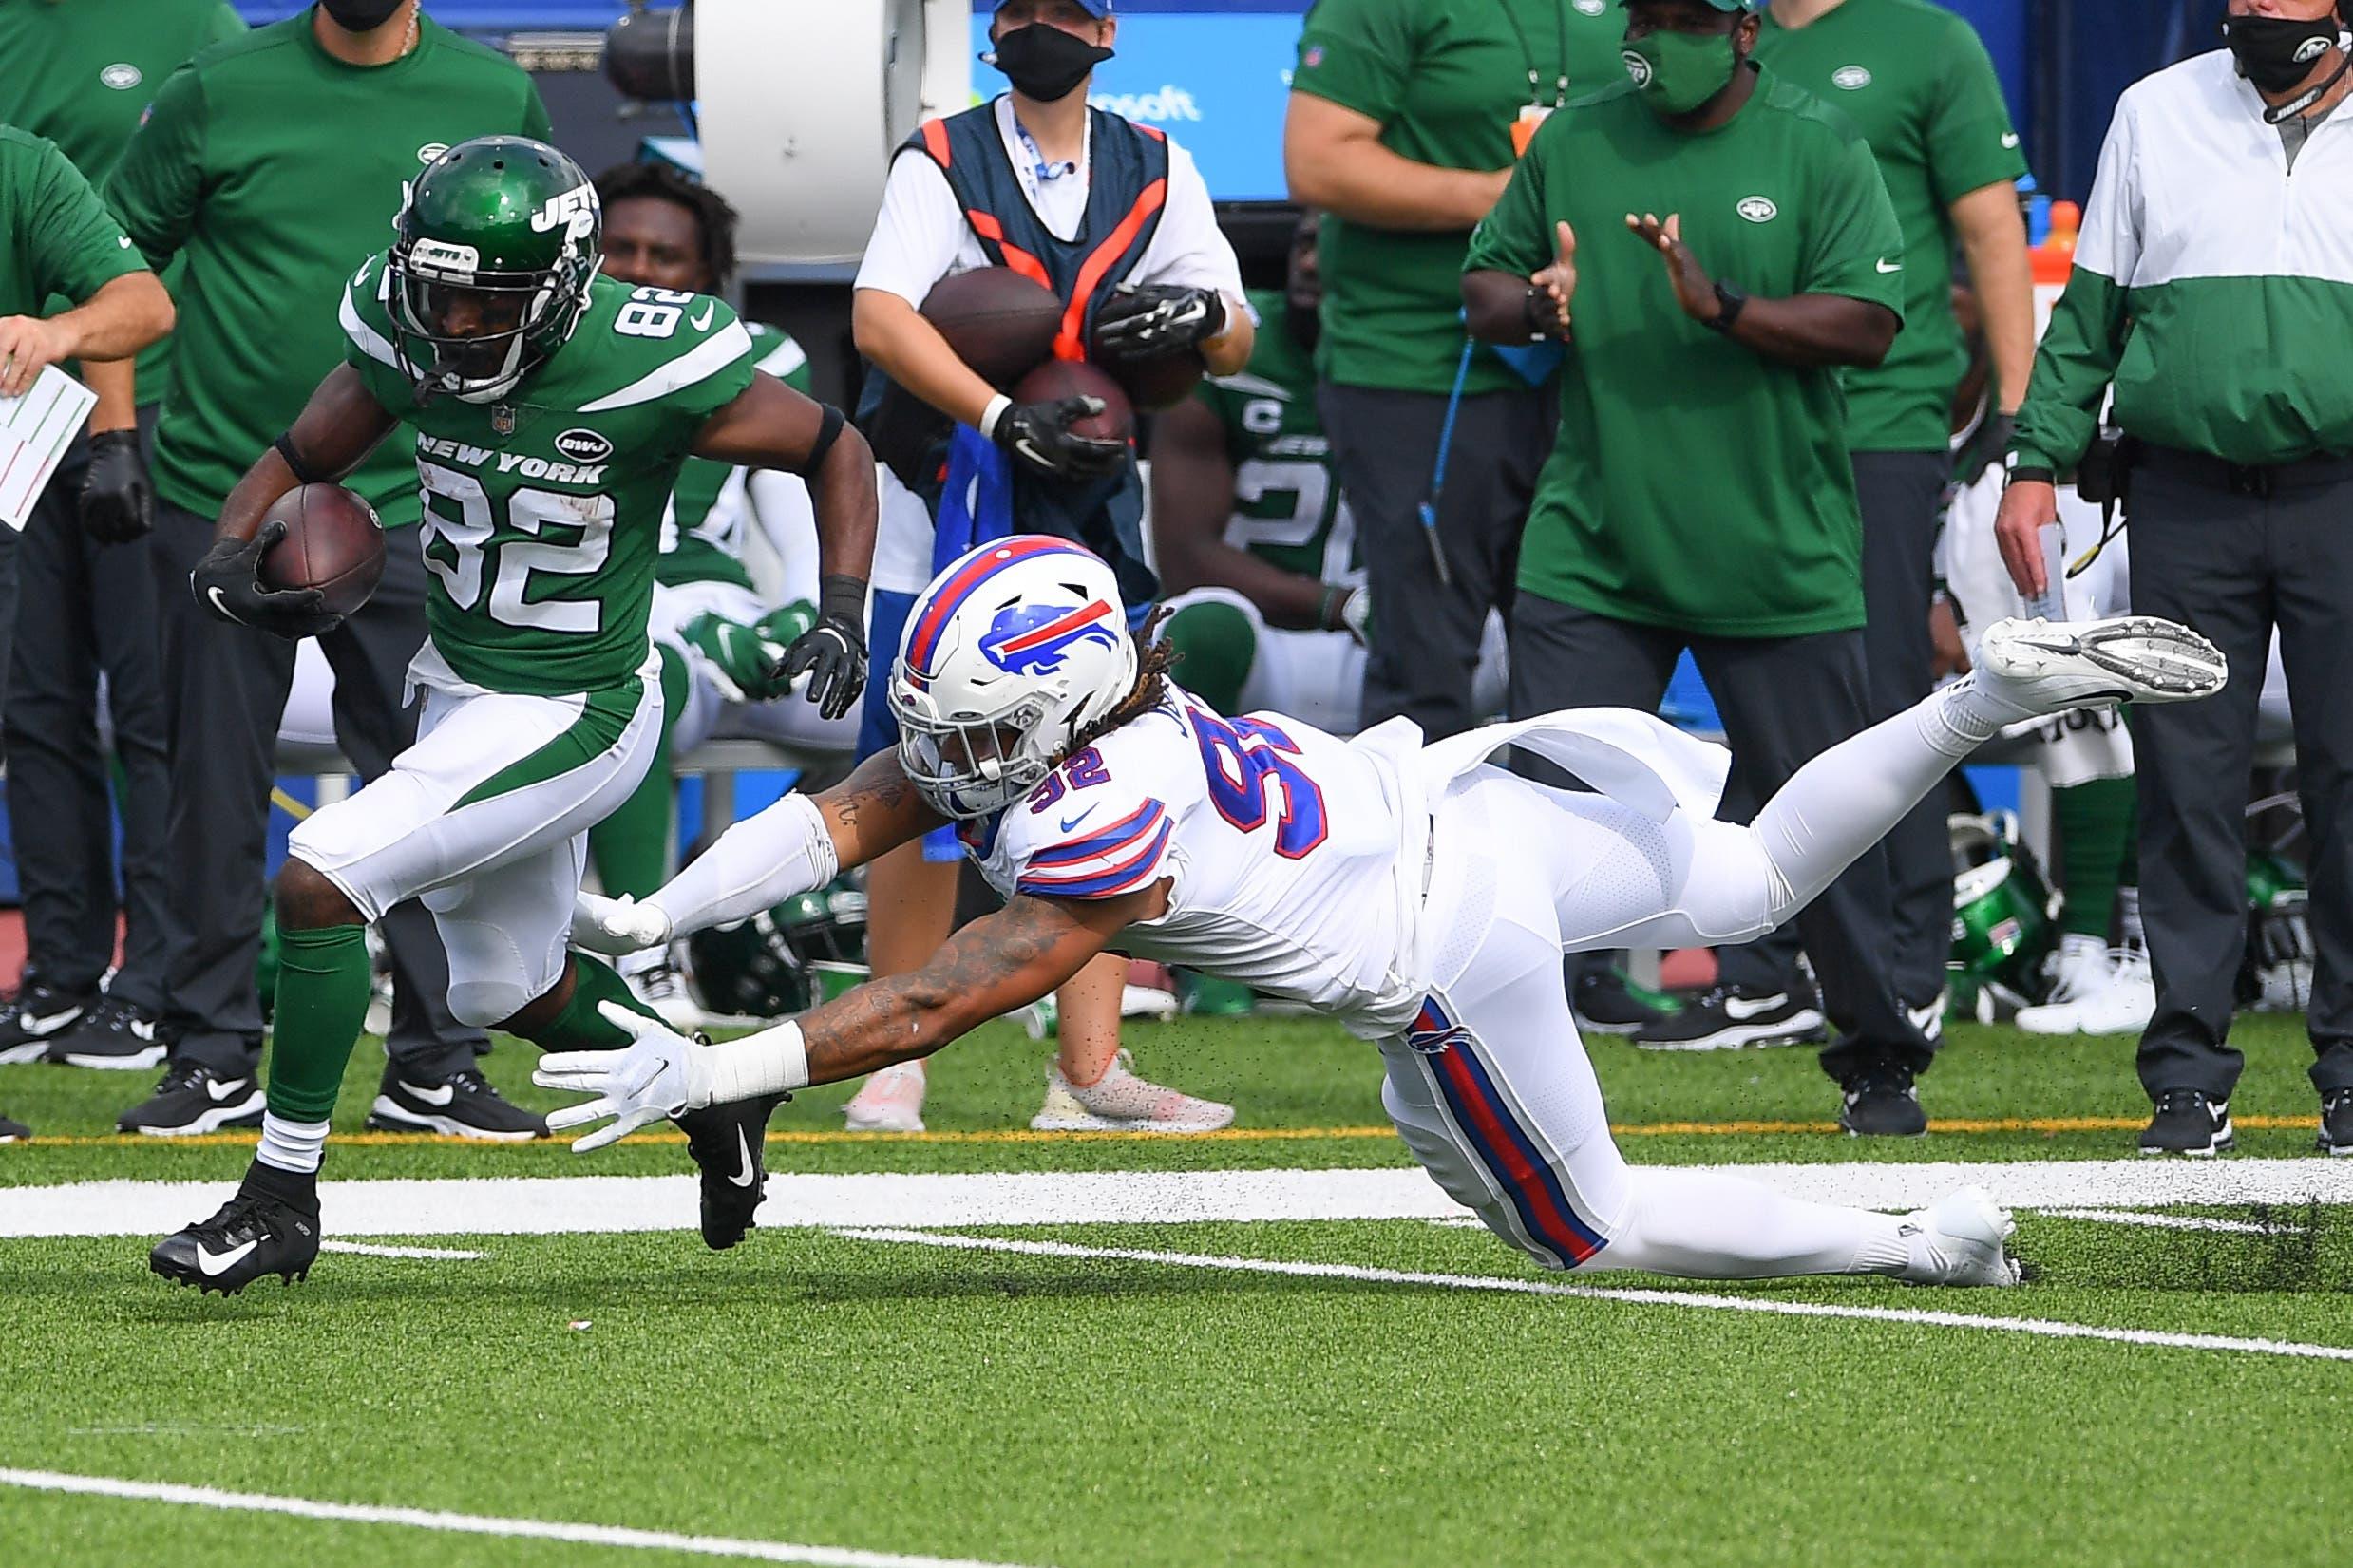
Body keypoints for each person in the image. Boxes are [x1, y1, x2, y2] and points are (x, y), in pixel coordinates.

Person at [556, 537, 2226, 1293]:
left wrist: (719, 1071)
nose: (951, 760)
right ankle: (1970, 706)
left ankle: (1929, 1243)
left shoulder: (1099, 811)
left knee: (1592, 1230)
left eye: (981, 730)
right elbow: (859, 805)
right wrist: (654, 917)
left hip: (1447, 947)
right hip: (1473, 810)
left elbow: (944, 995)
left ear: (1059, 698)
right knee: (1761, 878)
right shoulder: (1091, 713)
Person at [145, 135, 877, 1294]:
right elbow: (301, 449)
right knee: (507, 988)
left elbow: (836, 445)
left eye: (483, 303)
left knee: (321, 874)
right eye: (433, 292)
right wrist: (234, 546)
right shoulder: (411, 330)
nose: (451, 323)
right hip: (461, 688)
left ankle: (279, 1195)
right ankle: (718, 1092)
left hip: (577, 705)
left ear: (560, 290)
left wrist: (839, 605)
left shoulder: (649, 362)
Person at [1458, 0, 1943, 1133]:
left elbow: (1870, 323)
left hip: (1773, 549)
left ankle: (1875, 1051)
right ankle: (1494, 1056)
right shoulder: (1575, 138)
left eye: (1683, 17)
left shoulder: (1815, 140)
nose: (1654, 38)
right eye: (1642, 15)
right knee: (1530, 812)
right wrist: (1536, 303)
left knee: (1819, 816)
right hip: (1594, 542)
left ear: (1739, 31)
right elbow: (1481, 288)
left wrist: (1718, 304)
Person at [102, 0, 552, 1139]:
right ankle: (207, 1049)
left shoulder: (492, 97)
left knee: (437, 785)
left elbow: (547, 289)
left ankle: (435, 1060)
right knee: (207, 782)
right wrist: (116, 436)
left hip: (420, 494)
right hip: (227, 489)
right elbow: (112, 276)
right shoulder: (215, 87)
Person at [842, 0, 1249, 1133]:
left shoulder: (1156, 161)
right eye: (1019, 8)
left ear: (1107, 32)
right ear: (991, 30)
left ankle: (1089, 1069)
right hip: (944, 493)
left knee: (1109, 762)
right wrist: (992, 409)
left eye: (1062, 10)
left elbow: (1234, 335)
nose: (1040, 26)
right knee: (915, 766)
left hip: (1089, 503)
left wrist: (1197, 314)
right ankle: (893, 1054)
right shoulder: (940, 155)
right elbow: (880, 317)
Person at [1999, 0, 2353, 1158]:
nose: (2255, 5)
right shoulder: (2151, 109)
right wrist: (2033, 463)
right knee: (2183, 787)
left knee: (2349, 785)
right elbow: (2088, 315)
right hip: (2183, 497)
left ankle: (2349, 1074)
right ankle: (2187, 1081)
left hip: (2341, 497)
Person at [1752, 0, 2033, 1036]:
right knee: (1765, 695)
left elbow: (1989, 228)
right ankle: (1772, 962)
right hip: (1736, 423)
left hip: (1875, 415)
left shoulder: (1928, 39)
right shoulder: (1716, 39)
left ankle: (1910, 958)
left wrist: (2015, 413)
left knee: (1878, 684)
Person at [0, 0, 242, 1071]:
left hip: (154, 413)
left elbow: (189, 241)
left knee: (153, 709)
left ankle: (153, 976)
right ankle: (58, 972)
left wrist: (122, 423)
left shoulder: (199, 20)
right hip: (16, 419)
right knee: (34, 704)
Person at [1284, 0, 1622, 742]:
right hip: (1422, 367)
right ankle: (1415, 856)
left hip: (1597, 371)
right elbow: (1317, 158)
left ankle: (1576, 856)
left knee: (1584, 670)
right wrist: (1511, 191)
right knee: (1426, 670)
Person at [581, 159, 853, 1025]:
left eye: (664, 256)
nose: (637, 269)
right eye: (616, 248)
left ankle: (740, 888)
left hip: (724, 616)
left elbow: (802, 521)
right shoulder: (540, 350)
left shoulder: (756, 356)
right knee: (643, 676)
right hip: (610, 620)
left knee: (912, 702)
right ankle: (642, 955)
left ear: (704, 275)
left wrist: (803, 619)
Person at [1152, 211, 1508, 746]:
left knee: (1525, 631)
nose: (1312, 263)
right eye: (1303, 244)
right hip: (1269, 646)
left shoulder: (1451, 359)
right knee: (1199, 632)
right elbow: (1185, 555)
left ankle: (1489, 812)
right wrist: (1335, 604)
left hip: (1406, 639)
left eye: (1333, 245)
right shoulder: (1229, 358)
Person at [0, 124, 178, 1136]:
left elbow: (142, 301)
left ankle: (126, 977)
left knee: (122, 712)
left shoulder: (20, 164)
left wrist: (56, 333)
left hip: (14, 478)